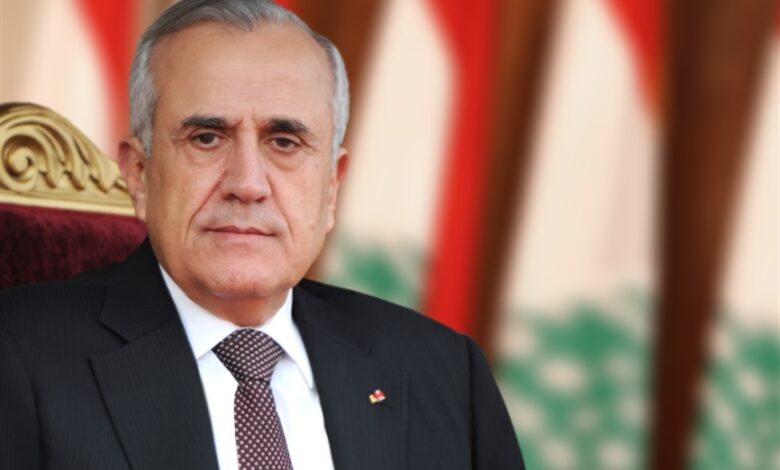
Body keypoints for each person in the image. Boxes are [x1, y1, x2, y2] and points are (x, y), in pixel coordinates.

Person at [0, 1, 524, 468]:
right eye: (207, 138)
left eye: (285, 142)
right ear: (139, 174)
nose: (247, 184)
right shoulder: (19, 357)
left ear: (332, 186)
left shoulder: (444, 372)